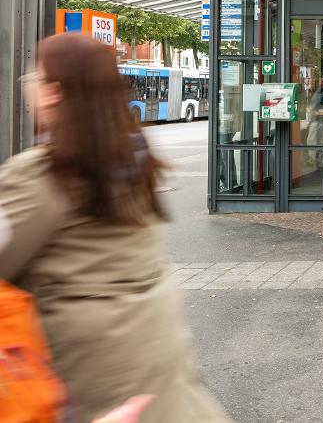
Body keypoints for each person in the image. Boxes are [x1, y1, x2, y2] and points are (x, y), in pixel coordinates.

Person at [0, 33, 230, 422]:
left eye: (32, 80)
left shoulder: (42, 175)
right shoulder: (133, 162)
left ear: (54, 92)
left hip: (89, 386)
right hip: (156, 373)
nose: (29, 91)